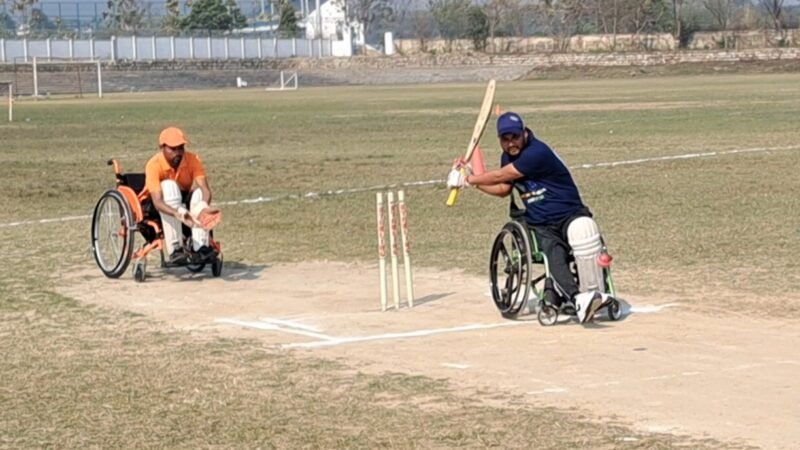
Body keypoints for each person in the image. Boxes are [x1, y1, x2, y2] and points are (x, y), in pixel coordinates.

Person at [447, 112, 612, 323]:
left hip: (570, 213)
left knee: (583, 229)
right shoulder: (507, 157)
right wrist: (474, 182)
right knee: (553, 253)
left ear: (524, 133)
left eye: (514, 137)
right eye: (505, 139)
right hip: (542, 223)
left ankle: (595, 292)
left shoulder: (537, 152)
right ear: (499, 140)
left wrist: (467, 179)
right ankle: (578, 299)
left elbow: (501, 175)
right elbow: (502, 189)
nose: (511, 143)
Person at [145, 126, 221, 265]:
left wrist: (203, 208)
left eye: (181, 148)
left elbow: (205, 189)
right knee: (169, 186)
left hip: (182, 200)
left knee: (198, 195)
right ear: (162, 147)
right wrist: (178, 213)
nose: (178, 153)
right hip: (159, 205)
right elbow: (157, 202)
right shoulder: (153, 165)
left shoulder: (192, 159)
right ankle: (176, 249)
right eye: (173, 149)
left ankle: (201, 247)